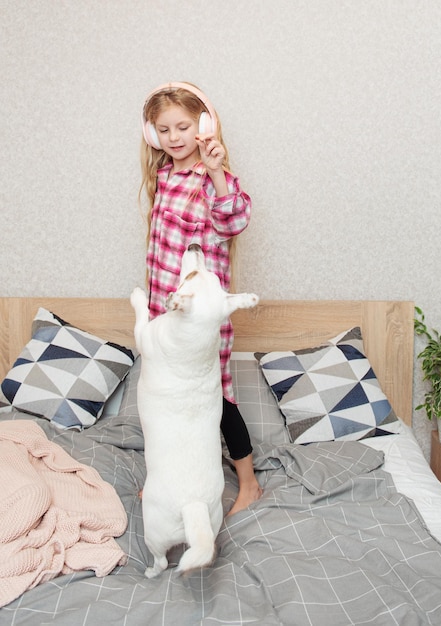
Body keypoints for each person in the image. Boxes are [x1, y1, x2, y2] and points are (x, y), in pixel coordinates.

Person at [140, 82, 262, 516]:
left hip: (203, 320)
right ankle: (165, 477)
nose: (174, 137)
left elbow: (234, 222)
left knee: (218, 397)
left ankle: (247, 483)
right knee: (168, 399)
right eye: (164, 129)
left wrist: (214, 172)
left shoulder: (214, 178)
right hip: (165, 316)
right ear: (153, 134)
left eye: (183, 126)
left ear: (204, 126)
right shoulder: (163, 175)